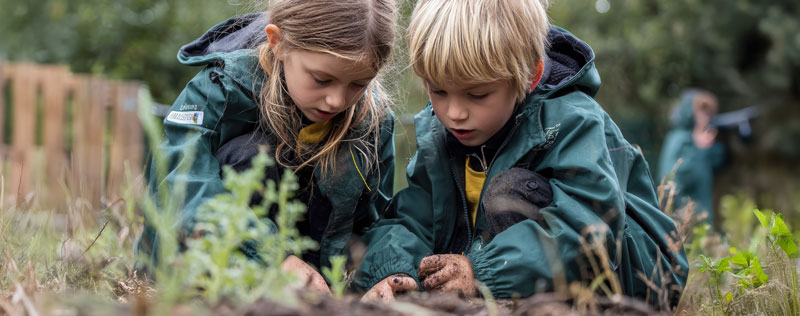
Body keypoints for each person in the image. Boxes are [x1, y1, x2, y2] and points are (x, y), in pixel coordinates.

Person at [354, 0, 688, 309]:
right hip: (512, 277)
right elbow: (412, 218)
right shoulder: (443, 137)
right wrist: (393, 272)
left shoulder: (573, 121)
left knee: (511, 192)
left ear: (531, 75)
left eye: (477, 94)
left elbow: (588, 228)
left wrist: (482, 273)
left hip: (630, 278)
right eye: (438, 90)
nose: (454, 112)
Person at [135, 0, 398, 294]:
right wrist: (271, 256)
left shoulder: (373, 123)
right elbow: (180, 183)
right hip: (210, 265)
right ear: (278, 42)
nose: (337, 100)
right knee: (252, 154)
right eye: (322, 79)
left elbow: (377, 221)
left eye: (358, 84)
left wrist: (385, 273)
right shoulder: (217, 92)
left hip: (317, 286)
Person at [658, 89, 725, 224]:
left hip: (702, 216)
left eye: (708, 113)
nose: (705, 117)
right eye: (701, 111)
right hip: (683, 218)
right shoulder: (679, 139)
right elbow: (672, 178)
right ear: (690, 112)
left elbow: (715, 166)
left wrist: (707, 148)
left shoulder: (697, 140)